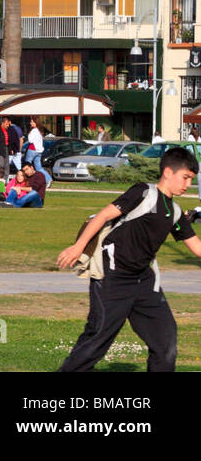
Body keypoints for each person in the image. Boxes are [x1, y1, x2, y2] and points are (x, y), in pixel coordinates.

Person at [57, 146, 201, 372]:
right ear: (168, 173)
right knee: (98, 338)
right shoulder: (143, 193)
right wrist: (78, 246)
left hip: (144, 282)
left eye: (191, 180)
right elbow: (104, 215)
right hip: (113, 277)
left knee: (165, 339)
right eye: (185, 178)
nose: (187, 185)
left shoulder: (174, 211)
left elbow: (197, 248)